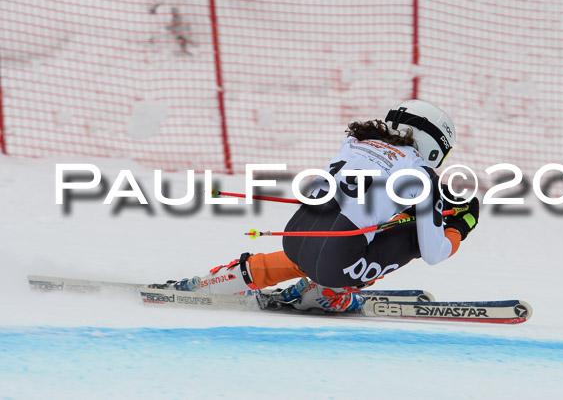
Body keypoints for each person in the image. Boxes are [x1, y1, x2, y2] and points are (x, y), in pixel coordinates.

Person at [156, 100, 479, 312]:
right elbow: (435, 253)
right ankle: (328, 291)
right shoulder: (423, 176)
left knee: (333, 234)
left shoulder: (356, 141)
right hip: (338, 263)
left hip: (293, 239)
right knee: (411, 236)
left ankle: (236, 277)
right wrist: (458, 227)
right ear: (434, 147)